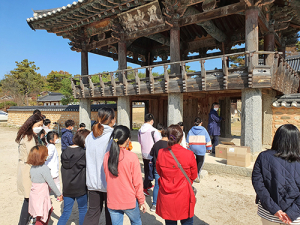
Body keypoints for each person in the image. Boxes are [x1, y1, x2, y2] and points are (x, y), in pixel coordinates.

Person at [252, 124, 300, 225]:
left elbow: (258, 185)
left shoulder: (263, 157)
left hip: (269, 213)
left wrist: (274, 209)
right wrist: (291, 213)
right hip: (295, 217)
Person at [103, 125, 146, 225]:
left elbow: (106, 177)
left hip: (113, 199)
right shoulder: (132, 157)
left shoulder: (107, 156)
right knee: (136, 222)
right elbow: (138, 182)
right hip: (129, 200)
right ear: (127, 140)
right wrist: (141, 200)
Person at [156, 124, 198, 225]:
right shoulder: (189, 154)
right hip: (184, 194)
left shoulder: (161, 153)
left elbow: (159, 171)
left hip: (167, 194)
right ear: (182, 138)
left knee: (170, 222)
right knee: (187, 221)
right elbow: (194, 175)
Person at [83, 107, 115, 225]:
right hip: (108, 181)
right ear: (111, 120)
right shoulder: (112, 136)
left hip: (92, 181)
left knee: (93, 212)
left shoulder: (90, 136)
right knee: (111, 212)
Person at [16, 113, 44, 225]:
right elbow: (32, 155)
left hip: (27, 167)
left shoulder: (31, 135)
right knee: (28, 199)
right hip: (28, 169)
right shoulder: (28, 137)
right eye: (39, 125)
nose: (40, 127)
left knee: (29, 199)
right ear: (32, 124)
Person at [58, 129, 91, 225]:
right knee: (83, 209)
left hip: (67, 187)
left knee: (66, 212)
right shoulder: (83, 153)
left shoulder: (65, 152)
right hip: (80, 187)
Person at [27, 145, 63, 225]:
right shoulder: (44, 168)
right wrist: (58, 194)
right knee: (42, 217)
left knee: (40, 214)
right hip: (41, 195)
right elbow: (51, 182)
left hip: (34, 194)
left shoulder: (32, 167)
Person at [138, 113, 161, 196]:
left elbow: (139, 141)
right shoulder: (153, 130)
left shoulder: (140, 130)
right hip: (152, 154)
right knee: (150, 173)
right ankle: (144, 187)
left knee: (147, 170)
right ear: (152, 121)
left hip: (144, 153)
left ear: (144, 121)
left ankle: (149, 185)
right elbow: (158, 142)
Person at [186, 117, 212, 183]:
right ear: (201, 123)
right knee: (200, 161)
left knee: (193, 162)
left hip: (192, 148)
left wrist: (188, 148)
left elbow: (187, 141)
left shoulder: (191, 130)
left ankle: (191, 174)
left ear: (194, 123)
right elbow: (208, 140)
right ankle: (197, 174)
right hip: (201, 148)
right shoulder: (204, 130)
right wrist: (209, 148)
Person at [149, 126, 168, 212]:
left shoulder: (156, 144)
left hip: (157, 167)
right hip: (167, 168)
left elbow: (151, 154)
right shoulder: (169, 145)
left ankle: (154, 204)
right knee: (166, 186)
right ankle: (165, 204)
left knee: (157, 185)